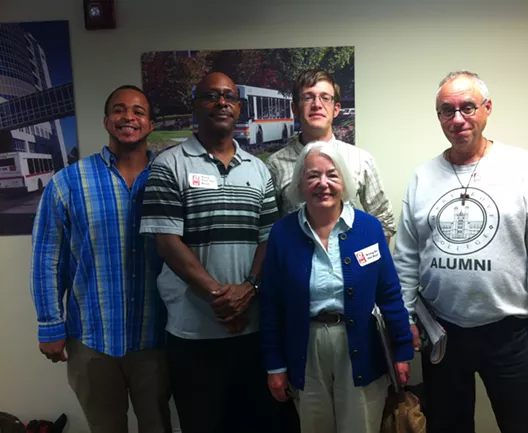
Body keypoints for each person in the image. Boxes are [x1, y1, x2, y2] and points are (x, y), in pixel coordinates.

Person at [393, 71, 528, 433]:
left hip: (510, 334)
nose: (457, 119)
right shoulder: (423, 177)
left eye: (467, 107)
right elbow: (407, 257)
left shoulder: (522, 167)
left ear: (487, 109)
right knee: (447, 425)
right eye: (447, 110)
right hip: (441, 332)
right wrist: (404, 317)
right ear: (438, 116)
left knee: (524, 425)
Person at [140, 72, 279, 433]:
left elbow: (268, 238)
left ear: (238, 107)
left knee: (254, 424)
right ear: (195, 107)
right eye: (210, 96)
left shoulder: (259, 170)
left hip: (250, 330)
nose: (221, 103)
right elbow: (167, 243)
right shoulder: (168, 165)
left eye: (228, 97)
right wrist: (222, 298)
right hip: (193, 334)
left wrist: (247, 290)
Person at [30, 85, 171, 433]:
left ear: (150, 124)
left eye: (138, 111)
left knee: (159, 427)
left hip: (156, 337)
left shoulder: (169, 180)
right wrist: (50, 323)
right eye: (120, 110)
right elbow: (48, 258)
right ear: (107, 121)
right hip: (91, 340)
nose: (129, 117)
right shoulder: (68, 182)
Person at [261, 141, 414, 433]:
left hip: (362, 344)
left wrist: (403, 350)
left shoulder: (369, 228)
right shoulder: (283, 233)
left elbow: (390, 294)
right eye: (313, 176)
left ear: (343, 181)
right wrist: (275, 365)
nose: (323, 184)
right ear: (300, 184)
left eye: (332, 175)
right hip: (305, 347)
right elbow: (271, 305)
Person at [266, 69, 396, 241]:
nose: (317, 104)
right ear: (295, 109)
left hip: (347, 263)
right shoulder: (275, 165)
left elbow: (384, 221)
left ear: (336, 109)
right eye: (308, 97)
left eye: (325, 98)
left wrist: (369, 266)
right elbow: (269, 231)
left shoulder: (361, 160)